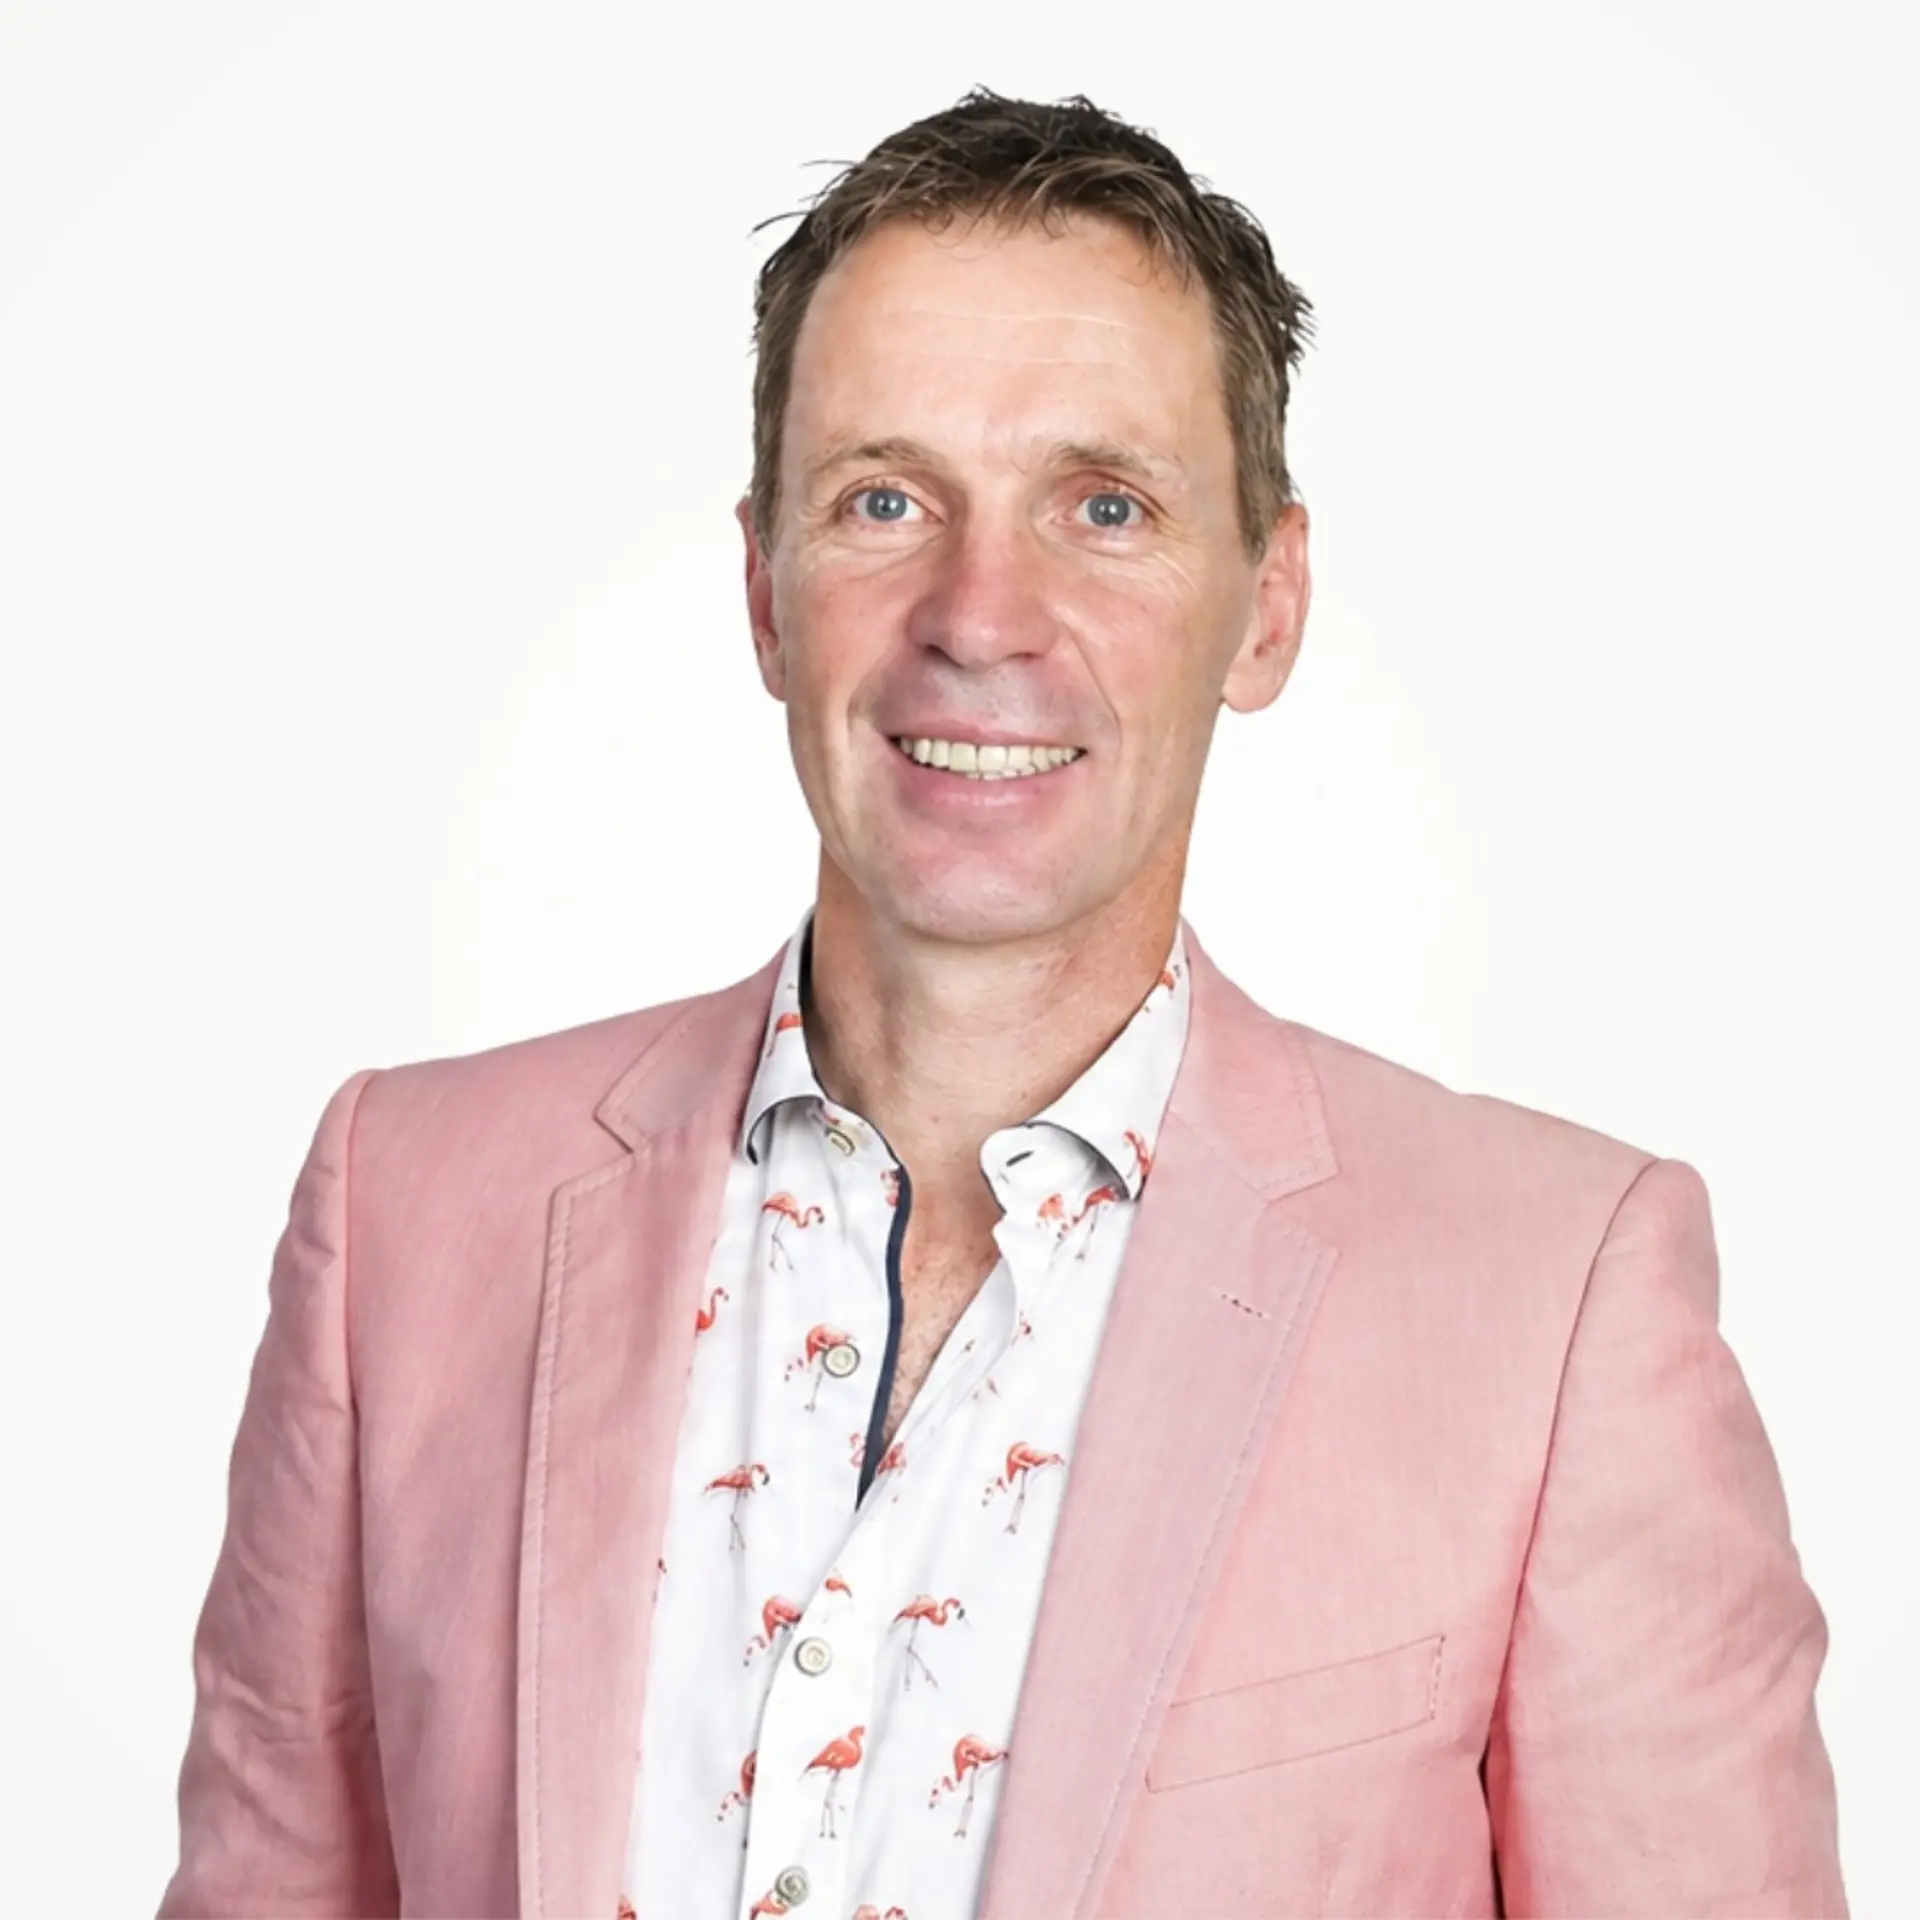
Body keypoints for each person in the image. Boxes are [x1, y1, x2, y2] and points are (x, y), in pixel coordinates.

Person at [158, 88, 1847, 1920]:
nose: (980, 614)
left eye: (1104, 508)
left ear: (1266, 605)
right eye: (884, 500)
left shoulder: (1554, 1301)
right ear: (764, 590)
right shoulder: (404, 1217)